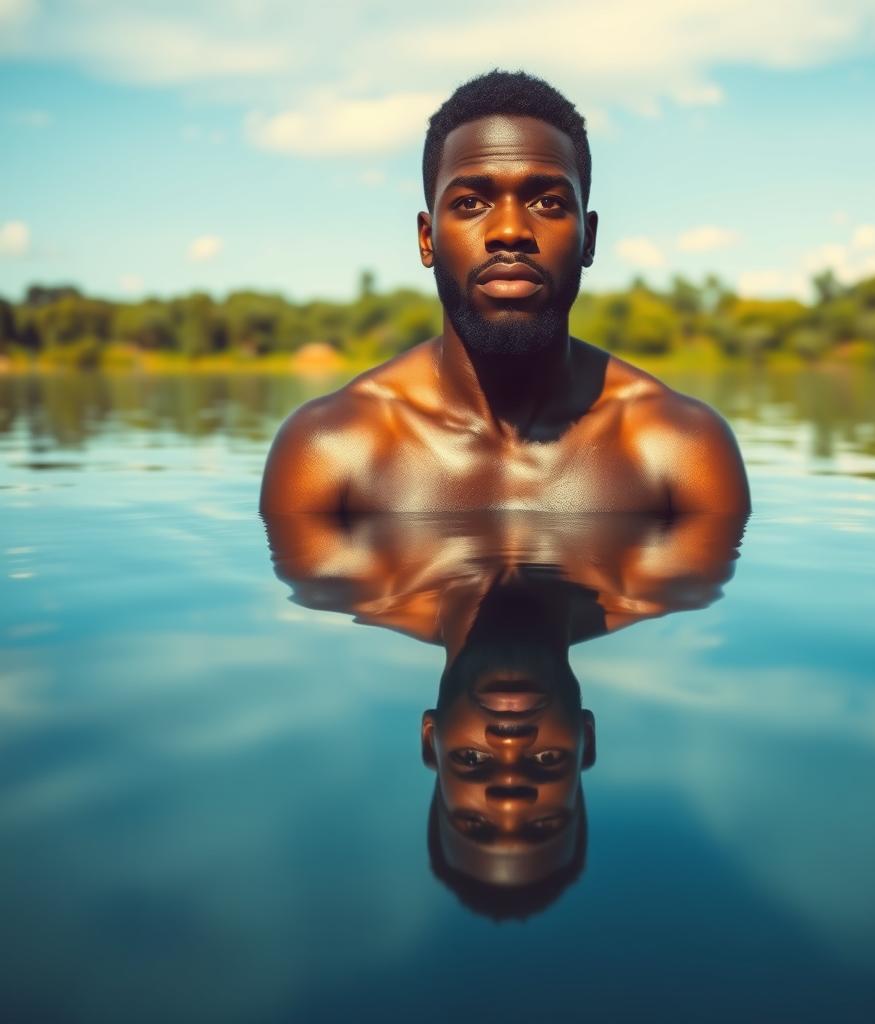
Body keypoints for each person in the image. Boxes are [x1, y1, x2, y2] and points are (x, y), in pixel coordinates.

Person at [259, 70, 750, 515]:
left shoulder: (681, 447)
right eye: (471, 202)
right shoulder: (330, 449)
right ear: (427, 240)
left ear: (589, 238)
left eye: (549, 201)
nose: (510, 230)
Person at [264, 509, 745, 917]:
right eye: (545, 762)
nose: (511, 744)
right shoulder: (688, 566)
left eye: (473, 761)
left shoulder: (324, 566)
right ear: (586, 738)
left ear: (432, 739)